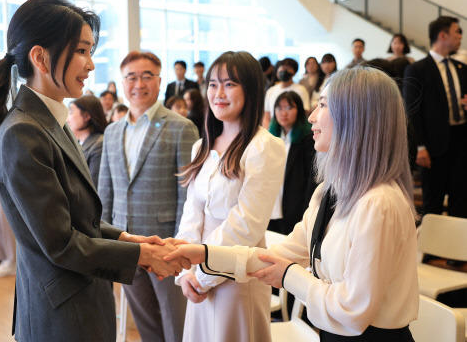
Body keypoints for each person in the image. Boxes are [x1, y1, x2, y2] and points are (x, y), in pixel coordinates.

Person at [0, 0, 187, 342]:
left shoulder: (52, 121)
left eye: (90, 51)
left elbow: (77, 218)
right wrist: (141, 255)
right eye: (81, 51)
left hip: (80, 297)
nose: (90, 64)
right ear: (40, 57)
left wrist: (126, 238)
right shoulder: (23, 132)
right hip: (61, 313)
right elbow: (60, 243)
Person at [168, 67, 419, 341]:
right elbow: (279, 254)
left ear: (357, 118)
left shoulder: (379, 203)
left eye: (322, 105)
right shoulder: (329, 192)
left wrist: (289, 276)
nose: (311, 116)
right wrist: (204, 255)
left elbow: (351, 310)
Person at [174, 51, 286, 342]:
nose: (218, 93)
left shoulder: (264, 146)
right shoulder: (202, 145)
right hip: (198, 272)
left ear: (250, 90)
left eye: (229, 84)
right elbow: (191, 213)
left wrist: (202, 275)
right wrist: (184, 270)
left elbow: (246, 226)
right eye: (212, 84)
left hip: (237, 275)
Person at [98, 51, 199, 342]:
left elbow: (188, 196)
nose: (138, 84)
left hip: (166, 244)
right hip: (125, 243)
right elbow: (105, 188)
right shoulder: (113, 131)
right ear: (122, 82)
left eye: (146, 76)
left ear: (159, 81)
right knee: (145, 322)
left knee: (175, 322)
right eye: (131, 77)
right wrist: (106, 240)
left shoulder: (181, 127)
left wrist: (181, 244)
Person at [404, 16, 467, 218]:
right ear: (443, 35)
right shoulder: (417, 70)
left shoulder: (462, 69)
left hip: (462, 141)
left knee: (461, 199)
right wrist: (420, 147)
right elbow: (412, 111)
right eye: (457, 31)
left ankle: (458, 247)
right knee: (433, 202)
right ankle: (432, 250)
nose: (460, 37)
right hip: (433, 147)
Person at [267, 91, 316, 235]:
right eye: (279, 108)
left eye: (289, 108)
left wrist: (306, 212)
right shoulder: (270, 138)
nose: (283, 113)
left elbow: (311, 180)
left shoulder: (308, 139)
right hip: (272, 204)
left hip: (295, 205)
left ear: (299, 110)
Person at [67, 95, 108, 188]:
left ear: (86, 116)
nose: (67, 119)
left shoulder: (99, 144)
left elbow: (94, 185)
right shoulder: (77, 142)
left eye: (71, 112)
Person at [263, 58, 310, 127]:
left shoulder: (301, 90)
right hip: (274, 129)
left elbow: (305, 113)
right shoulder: (271, 90)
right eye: (282, 68)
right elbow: (267, 116)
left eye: (288, 68)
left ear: (294, 72)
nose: (284, 71)